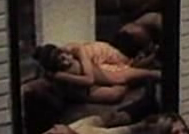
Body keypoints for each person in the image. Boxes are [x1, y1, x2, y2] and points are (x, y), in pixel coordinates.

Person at [33, 41, 161, 104]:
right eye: (61, 63)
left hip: (99, 71)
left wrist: (62, 76)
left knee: (127, 73)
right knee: (115, 94)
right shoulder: (55, 73)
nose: (66, 61)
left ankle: (146, 68)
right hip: (84, 89)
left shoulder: (75, 50)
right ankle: (138, 71)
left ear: (63, 51)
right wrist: (59, 76)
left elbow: (89, 80)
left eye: (64, 57)